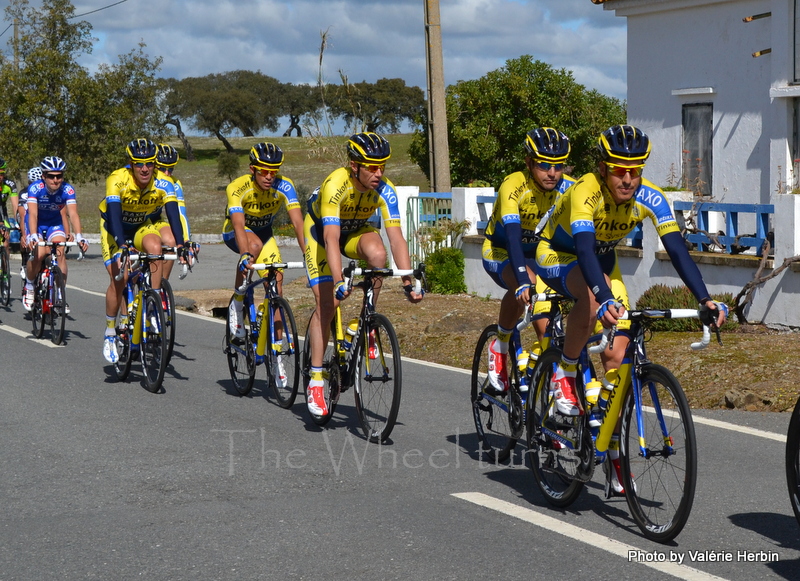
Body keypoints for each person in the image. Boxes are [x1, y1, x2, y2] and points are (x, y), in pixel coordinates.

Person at [534, 124, 727, 492]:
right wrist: (602, 296)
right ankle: (566, 370)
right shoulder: (585, 190)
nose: (627, 178)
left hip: (603, 261)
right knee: (594, 298)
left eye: (635, 170)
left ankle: (611, 451)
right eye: (619, 169)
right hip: (559, 253)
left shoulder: (651, 197)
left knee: (618, 355)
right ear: (603, 167)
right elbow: (585, 250)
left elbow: (677, 249)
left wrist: (705, 298)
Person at [303, 132, 424, 416]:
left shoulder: (385, 189)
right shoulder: (336, 184)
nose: (378, 173)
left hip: (354, 229)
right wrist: (338, 282)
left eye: (382, 166)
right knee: (327, 305)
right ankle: (316, 380)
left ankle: (365, 320)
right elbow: (331, 239)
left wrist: (408, 281)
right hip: (322, 234)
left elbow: (396, 238)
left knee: (378, 255)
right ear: (354, 165)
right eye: (372, 166)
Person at [481, 128, 576, 396]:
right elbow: (512, 237)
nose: (552, 173)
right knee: (527, 283)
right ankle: (500, 345)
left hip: (540, 254)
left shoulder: (569, 188)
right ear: (528, 163)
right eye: (544, 165)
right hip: (501, 250)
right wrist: (523, 279)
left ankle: (546, 388)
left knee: (549, 332)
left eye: (558, 166)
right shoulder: (513, 185)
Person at [99, 138, 186, 364]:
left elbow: (174, 215)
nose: (145, 168)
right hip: (114, 228)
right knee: (121, 276)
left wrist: (181, 244)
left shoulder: (164, 182)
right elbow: (115, 215)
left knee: (156, 247)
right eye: (139, 164)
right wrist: (122, 245)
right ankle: (110, 331)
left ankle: (152, 303)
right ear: (131, 164)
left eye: (149, 163)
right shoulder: (117, 179)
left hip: (139, 226)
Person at [224, 142, 306, 347]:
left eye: (274, 171)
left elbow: (297, 223)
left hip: (265, 234)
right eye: (264, 171)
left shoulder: (285, 185)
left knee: (277, 285)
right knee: (253, 247)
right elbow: (239, 224)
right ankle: (237, 301)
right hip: (236, 232)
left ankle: (277, 353)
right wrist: (244, 255)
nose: (269, 176)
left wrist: (309, 254)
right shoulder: (237, 187)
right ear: (253, 169)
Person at [23, 157, 89, 313]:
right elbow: (32, 214)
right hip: (36, 224)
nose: (55, 179)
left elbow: (73, 214)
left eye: (59, 176)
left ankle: (60, 294)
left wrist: (79, 235)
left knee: (60, 252)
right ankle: (30, 284)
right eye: (51, 176)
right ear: (44, 176)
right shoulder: (35, 188)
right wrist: (32, 235)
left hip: (54, 224)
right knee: (38, 254)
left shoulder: (68, 190)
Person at [156, 144, 197, 273]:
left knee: (171, 240)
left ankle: (161, 287)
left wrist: (186, 240)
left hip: (154, 221)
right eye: (162, 169)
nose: (167, 173)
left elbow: (181, 214)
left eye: (171, 169)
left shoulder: (175, 184)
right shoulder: (146, 179)